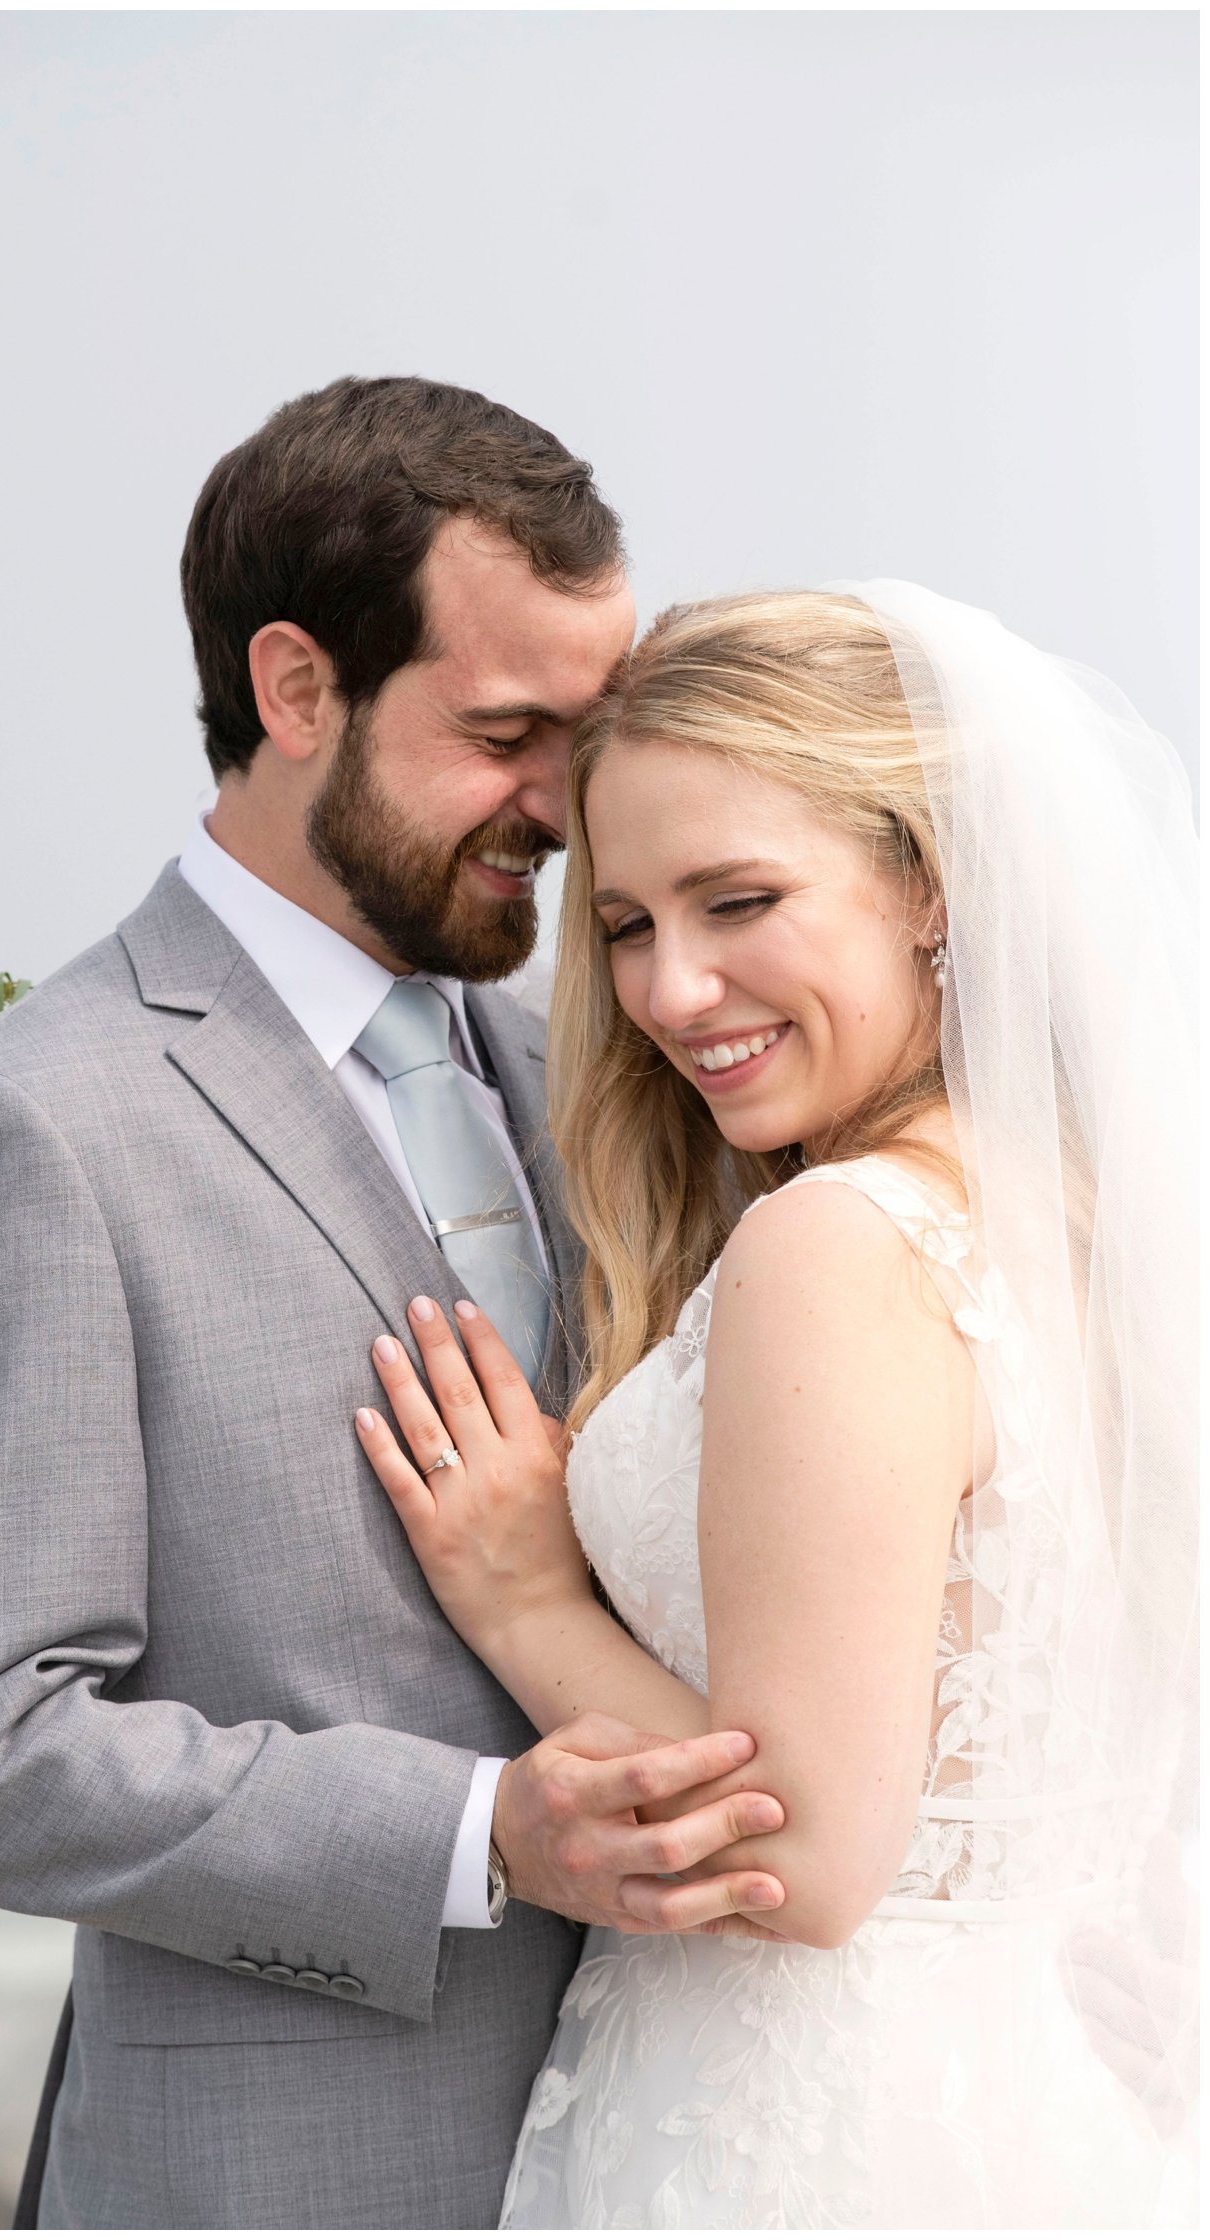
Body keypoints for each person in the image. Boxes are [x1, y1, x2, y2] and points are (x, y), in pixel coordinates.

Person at [0, 377, 790, 2232]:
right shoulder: (32, 1129)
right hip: (290, 2177)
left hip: (683, 2136)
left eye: (586, 737)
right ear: (295, 692)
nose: (567, 807)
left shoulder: (600, 1066)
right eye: (509, 732)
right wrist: (477, 1836)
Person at [358, 584, 1198, 2226]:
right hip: (1032, 2103)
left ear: (929, 888)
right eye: (624, 923)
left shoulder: (838, 1243)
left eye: (741, 900)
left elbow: (803, 1860)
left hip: (802, 2132)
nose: (672, 993)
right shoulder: (1080, 1223)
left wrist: (527, 1598)